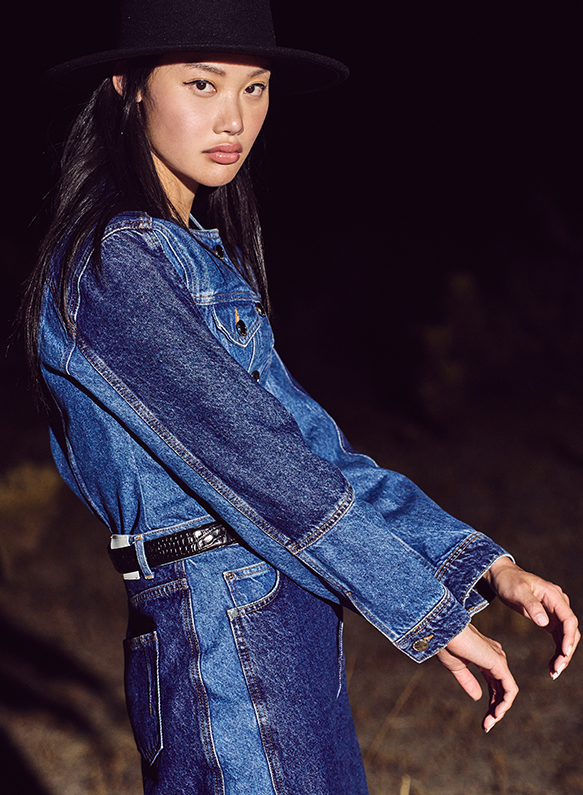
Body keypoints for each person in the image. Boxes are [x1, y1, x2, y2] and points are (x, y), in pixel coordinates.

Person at [22, 0, 579, 793]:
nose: (234, 118)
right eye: (202, 84)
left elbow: (318, 454)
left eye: (254, 88)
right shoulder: (117, 263)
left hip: (282, 610)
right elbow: (266, 467)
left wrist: (484, 566)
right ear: (127, 85)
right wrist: (428, 614)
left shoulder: (198, 258)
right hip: (223, 626)